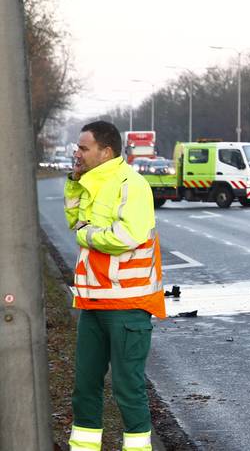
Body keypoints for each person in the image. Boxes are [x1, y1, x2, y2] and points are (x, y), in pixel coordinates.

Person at [64, 121, 165, 451]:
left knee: (127, 388)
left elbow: (126, 237)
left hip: (127, 304)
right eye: (78, 148)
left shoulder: (131, 184)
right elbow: (74, 221)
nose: (77, 153)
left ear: (105, 152)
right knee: (85, 387)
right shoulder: (91, 182)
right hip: (93, 302)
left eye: (84, 148)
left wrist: (87, 235)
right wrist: (75, 182)